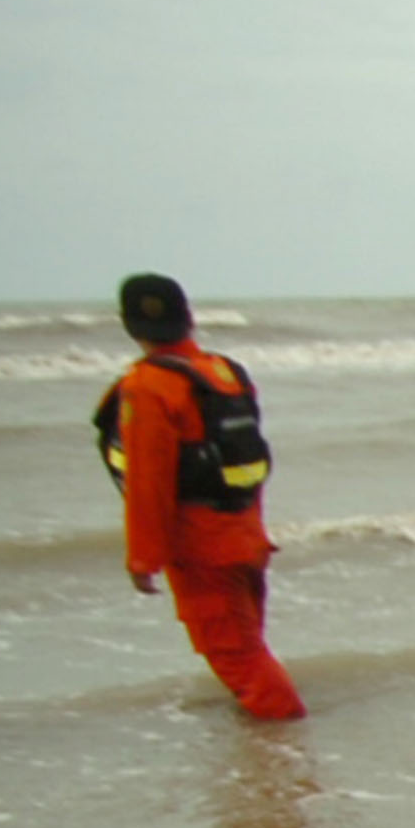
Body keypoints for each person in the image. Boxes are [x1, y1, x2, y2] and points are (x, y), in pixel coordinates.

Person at [98, 272, 303, 720]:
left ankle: (284, 762)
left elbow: (148, 482)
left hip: (202, 549)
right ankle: (271, 746)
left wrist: (143, 559)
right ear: (188, 318)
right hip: (246, 538)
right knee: (249, 650)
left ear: (129, 326)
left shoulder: (148, 386)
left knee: (240, 660)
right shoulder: (224, 372)